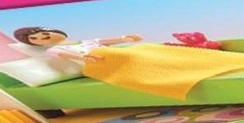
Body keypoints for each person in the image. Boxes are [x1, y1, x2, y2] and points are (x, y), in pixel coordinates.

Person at [8, 24, 143, 79]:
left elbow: (103, 41)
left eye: (44, 34)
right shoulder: (54, 50)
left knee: (142, 50)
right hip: (97, 63)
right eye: (34, 39)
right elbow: (64, 55)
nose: (43, 37)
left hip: (111, 56)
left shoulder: (83, 42)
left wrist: (125, 38)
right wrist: (83, 58)